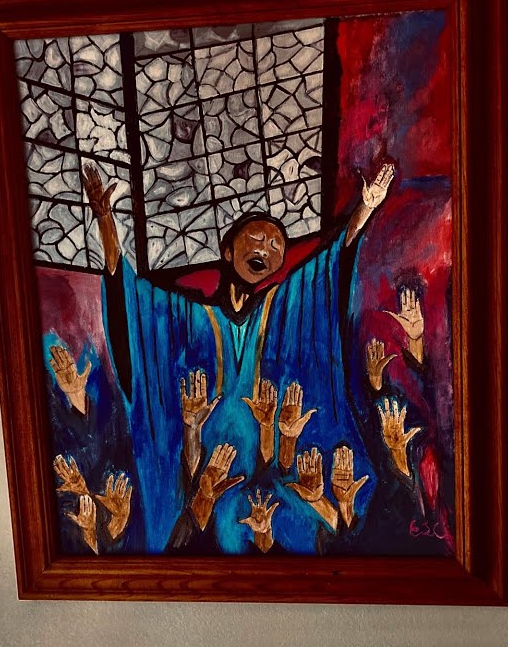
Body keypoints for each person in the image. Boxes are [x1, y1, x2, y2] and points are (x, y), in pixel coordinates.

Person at [83, 160, 397, 554]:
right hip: (203, 482)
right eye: (257, 238)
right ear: (228, 250)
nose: (266, 248)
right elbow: (132, 304)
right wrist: (106, 222)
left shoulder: (284, 307)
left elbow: (329, 269)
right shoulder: (187, 318)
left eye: (277, 245)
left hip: (272, 482)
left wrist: (365, 209)